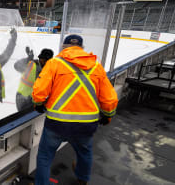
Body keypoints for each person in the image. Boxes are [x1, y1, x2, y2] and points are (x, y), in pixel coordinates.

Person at [32, 34, 118, 185]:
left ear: (64, 48)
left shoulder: (54, 63)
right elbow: (110, 98)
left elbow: (39, 90)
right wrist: (107, 115)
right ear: (82, 48)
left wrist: (38, 105)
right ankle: (82, 179)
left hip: (56, 124)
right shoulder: (96, 66)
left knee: (45, 156)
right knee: (85, 152)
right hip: (86, 125)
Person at [14, 47, 53, 112]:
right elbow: (16, 66)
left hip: (31, 98)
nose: (43, 61)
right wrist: (27, 59)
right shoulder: (31, 64)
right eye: (42, 59)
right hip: (23, 98)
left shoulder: (46, 69)